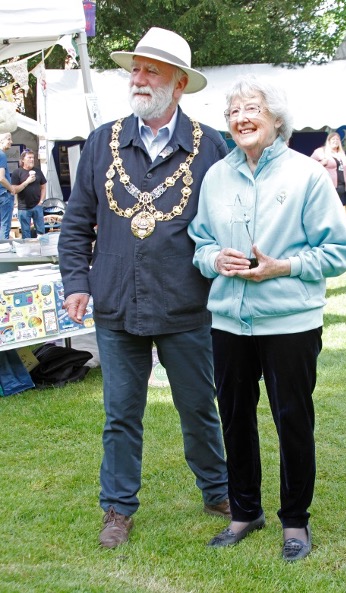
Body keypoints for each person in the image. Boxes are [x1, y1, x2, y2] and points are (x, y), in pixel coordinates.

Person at [58, 27, 229, 550]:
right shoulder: (102, 141)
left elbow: (227, 222)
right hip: (115, 301)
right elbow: (76, 221)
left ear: (178, 85)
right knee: (121, 413)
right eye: (135, 68)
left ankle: (218, 489)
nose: (138, 78)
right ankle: (117, 509)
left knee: (199, 406)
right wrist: (75, 281)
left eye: (151, 70)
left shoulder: (210, 147)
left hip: (186, 302)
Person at [188, 76, 346, 562]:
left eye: (253, 108)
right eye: (234, 110)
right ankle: (244, 511)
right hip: (228, 323)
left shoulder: (307, 175)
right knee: (235, 418)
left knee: (292, 421)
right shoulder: (217, 175)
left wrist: (285, 266)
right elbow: (200, 243)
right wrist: (215, 259)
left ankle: (295, 521)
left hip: (290, 322)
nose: (242, 117)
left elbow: (340, 251)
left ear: (276, 119)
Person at [11, 149, 47, 238]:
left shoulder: (38, 171)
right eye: (29, 157)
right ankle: (28, 251)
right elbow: (15, 190)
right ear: (22, 160)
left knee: (41, 232)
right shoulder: (17, 172)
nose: (32, 160)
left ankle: (42, 250)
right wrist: (27, 181)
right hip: (23, 208)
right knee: (26, 233)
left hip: (37, 205)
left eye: (33, 158)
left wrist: (41, 201)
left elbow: (43, 187)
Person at [311, 132, 346, 205]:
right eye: (333, 139)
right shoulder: (321, 151)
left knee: (339, 208)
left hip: (341, 186)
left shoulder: (341, 153)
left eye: (337, 139)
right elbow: (310, 164)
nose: (335, 141)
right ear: (328, 141)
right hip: (328, 185)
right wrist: (321, 163)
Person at [0, 132, 15, 240]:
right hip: (4, 194)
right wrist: (11, 189)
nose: (11, 142)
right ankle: (3, 252)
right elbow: (1, 178)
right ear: (1, 141)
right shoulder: (2, 155)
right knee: (5, 224)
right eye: (9, 139)